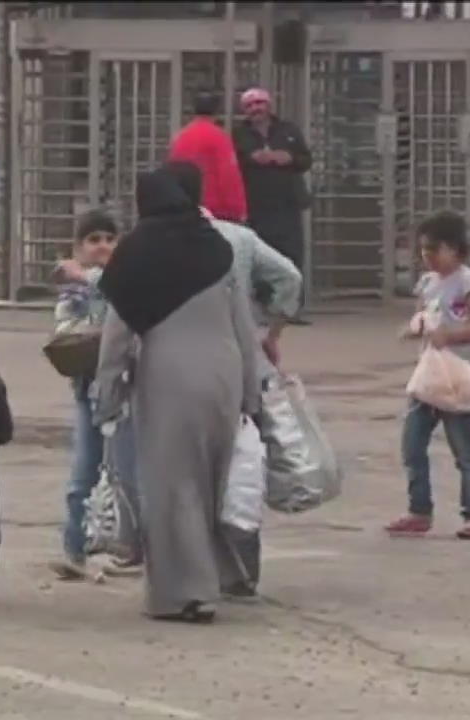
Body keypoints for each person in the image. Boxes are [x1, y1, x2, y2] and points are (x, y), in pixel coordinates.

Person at [94, 167, 261, 623]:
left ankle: (183, 594)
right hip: (223, 374)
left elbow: (116, 336)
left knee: (173, 486)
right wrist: (253, 391)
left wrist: (106, 394)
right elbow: (245, 328)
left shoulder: (136, 253)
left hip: (169, 376)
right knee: (212, 482)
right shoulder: (217, 249)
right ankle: (219, 576)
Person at [162, 160, 302, 598]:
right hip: (245, 366)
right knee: (243, 471)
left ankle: (198, 567)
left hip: (185, 369)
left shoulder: (166, 242)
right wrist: (271, 332)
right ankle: (243, 573)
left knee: (192, 473)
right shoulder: (239, 238)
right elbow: (289, 276)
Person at [387, 211, 470, 540]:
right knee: (412, 446)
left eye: (434, 250)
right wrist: (415, 328)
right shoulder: (427, 283)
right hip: (429, 375)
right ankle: (419, 510)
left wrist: (451, 335)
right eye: (423, 250)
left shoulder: (468, 282)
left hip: (459, 376)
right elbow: (425, 315)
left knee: (465, 450)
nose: (427, 257)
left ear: (454, 248)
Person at [48, 209, 142, 580]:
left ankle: (134, 549)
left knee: (130, 473)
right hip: (88, 390)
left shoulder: (125, 279)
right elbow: (66, 330)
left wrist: (87, 277)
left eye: (109, 238)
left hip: (124, 391)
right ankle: (74, 549)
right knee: (82, 475)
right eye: (93, 240)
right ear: (79, 247)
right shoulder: (74, 290)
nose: (102, 246)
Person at [232, 87, 312, 323]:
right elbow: (232, 162)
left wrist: (289, 158)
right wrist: (251, 158)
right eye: (250, 105)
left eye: (260, 103)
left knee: (292, 256)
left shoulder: (289, 130)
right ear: (244, 110)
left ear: (269, 105)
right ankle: (262, 309)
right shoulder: (238, 135)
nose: (256, 108)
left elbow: (305, 159)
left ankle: (292, 309)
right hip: (256, 206)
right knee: (260, 260)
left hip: (288, 204)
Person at [168, 92, 248, 223]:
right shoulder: (219, 137)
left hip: (185, 207)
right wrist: (237, 209)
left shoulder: (181, 137)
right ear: (217, 111)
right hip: (215, 212)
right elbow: (228, 174)